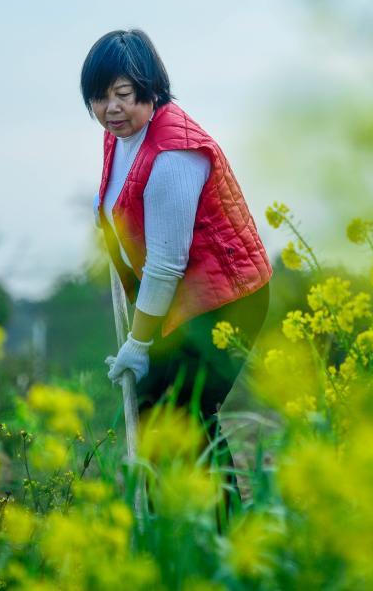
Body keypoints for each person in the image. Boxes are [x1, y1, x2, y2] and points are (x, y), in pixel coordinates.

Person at [80, 28, 272, 522]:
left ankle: (221, 534)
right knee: (153, 414)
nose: (110, 109)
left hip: (225, 300)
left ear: (151, 89)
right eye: (99, 97)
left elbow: (167, 264)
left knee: (182, 414)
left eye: (123, 94)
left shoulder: (174, 155)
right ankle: (176, 529)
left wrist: (139, 343)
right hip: (174, 297)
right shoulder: (120, 136)